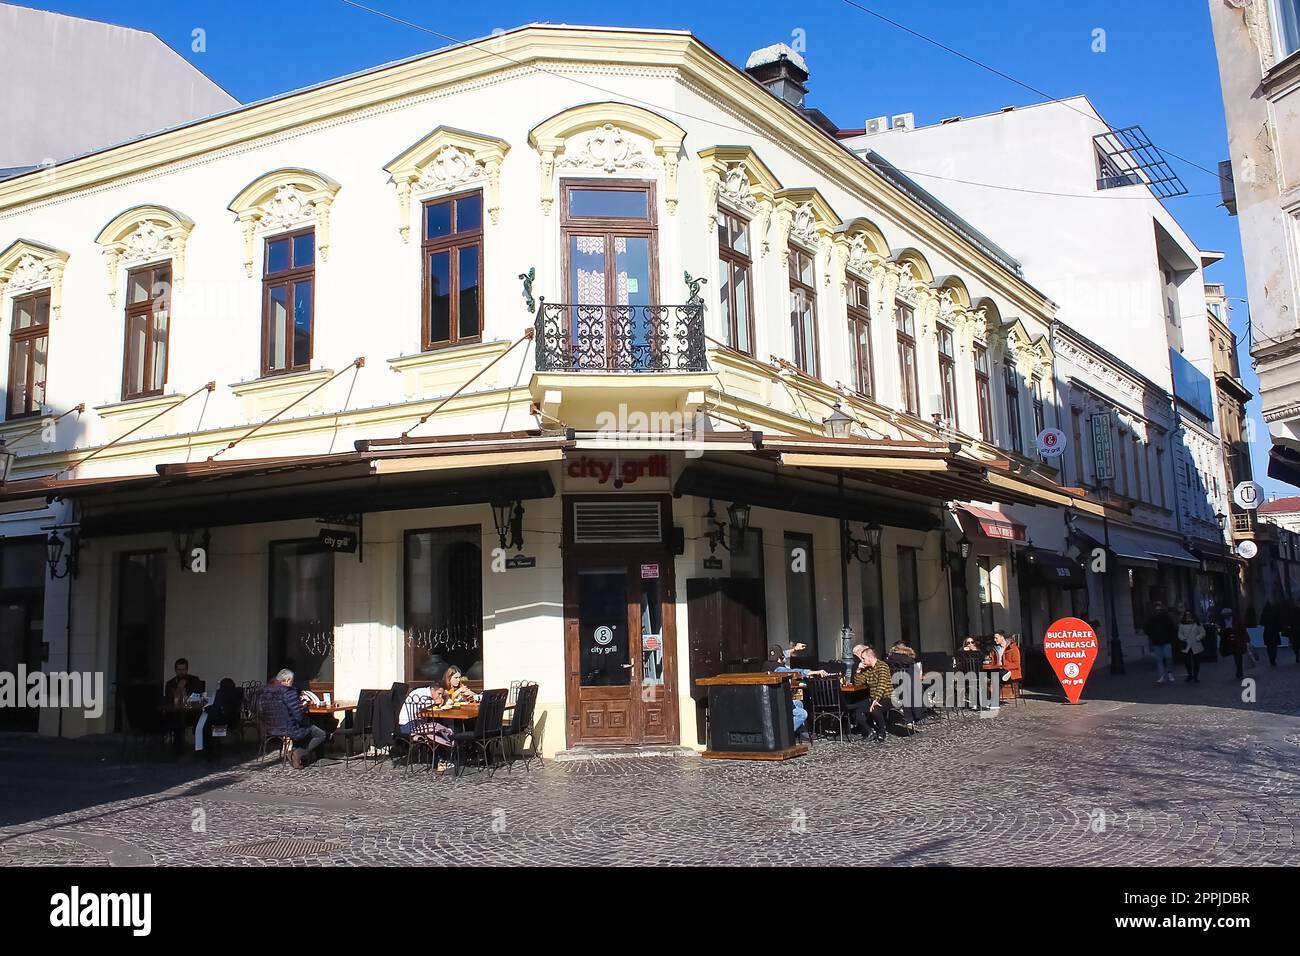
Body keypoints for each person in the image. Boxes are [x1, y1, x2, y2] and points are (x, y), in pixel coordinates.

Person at [262, 668, 327, 769]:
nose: (292, 684)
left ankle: (296, 754)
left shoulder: (267, 692)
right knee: (320, 734)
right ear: (287, 680)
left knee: (306, 729)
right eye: (292, 681)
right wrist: (307, 719)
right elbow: (298, 716)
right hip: (289, 727)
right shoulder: (288, 692)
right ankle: (298, 753)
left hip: (271, 728)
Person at [769, 643, 829, 738]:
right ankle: (785, 735)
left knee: (798, 703)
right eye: (783, 657)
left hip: (773, 700)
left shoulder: (767, 664)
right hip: (779, 702)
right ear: (781, 658)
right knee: (802, 714)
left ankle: (798, 733)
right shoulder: (779, 669)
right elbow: (796, 672)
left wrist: (794, 649)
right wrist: (815, 672)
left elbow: (783, 653)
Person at [849, 644, 894, 742]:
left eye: (864, 658)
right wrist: (858, 670)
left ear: (870, 658)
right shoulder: (867, 669)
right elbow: (858, 683)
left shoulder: (882, 666)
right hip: (873, 698)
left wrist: (876, 699)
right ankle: (870, 731)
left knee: (874, 709)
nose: (862, 661)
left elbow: (881, 685)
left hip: (887, 697)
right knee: (855, 711)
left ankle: (882, 732)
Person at [1143, 602, 1177, 684]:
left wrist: (1170, 636)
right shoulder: (1151, 619)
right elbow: (1146, 628)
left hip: (1166, 640)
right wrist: (1152, 635)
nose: (1158, 611)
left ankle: (1169, 673)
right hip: (1157, 641)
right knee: (1159, 659)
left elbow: (1172, 627)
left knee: (1168, 657)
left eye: (1160, 610)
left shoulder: (1166, 618)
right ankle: (1162, 675)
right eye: (1157, 610)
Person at [984, 631, 1022, 701]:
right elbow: (993, 662)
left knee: (995, 678)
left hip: (1012, 671)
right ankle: (985, 700)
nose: (994, 640)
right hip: (997, 670)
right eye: (994, 638)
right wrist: (988, 662)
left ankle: (993, 702)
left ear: (1002, 637)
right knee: (983, 675)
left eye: (996, 638)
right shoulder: (995, 649)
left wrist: (1004, 665)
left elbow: (1016, 664)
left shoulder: (1013, 648)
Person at [1220, 608, 1249, 680]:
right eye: (1224, 615)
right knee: (1235, 656)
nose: (1226, 616)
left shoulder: (1237, 620)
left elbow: (1243, 630)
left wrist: (1246, 640)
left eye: (1227, 614)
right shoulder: (1222, 622)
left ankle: (1239, 671)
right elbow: (1221, 632)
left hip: (1237, 640)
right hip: (1229, 641)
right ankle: (1239, 670)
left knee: (1238, 656)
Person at [1178, 611, 1205, 683]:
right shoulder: (1182, 624)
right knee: (1187, 662)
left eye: (1189, 614)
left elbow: (1203, 632)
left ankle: (1195, 676)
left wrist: (1197, 638)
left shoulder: (1197, 624)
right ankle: (1190, 675)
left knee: (1196, 662)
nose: (1188, 616)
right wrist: (1183, 638)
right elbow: (1179, 634)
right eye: (1186, 615)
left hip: (1196, 645)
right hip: (1186, 646)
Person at [1261, 601, 1281, 667]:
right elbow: (1278, 621)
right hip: (1274, 631)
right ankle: (1273, 659)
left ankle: (1271, 659)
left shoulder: (1264, 614)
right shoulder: (1274, 613)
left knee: (1269, 646)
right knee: (1274, 646)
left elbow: (1261, 622)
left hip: (1267, 631)